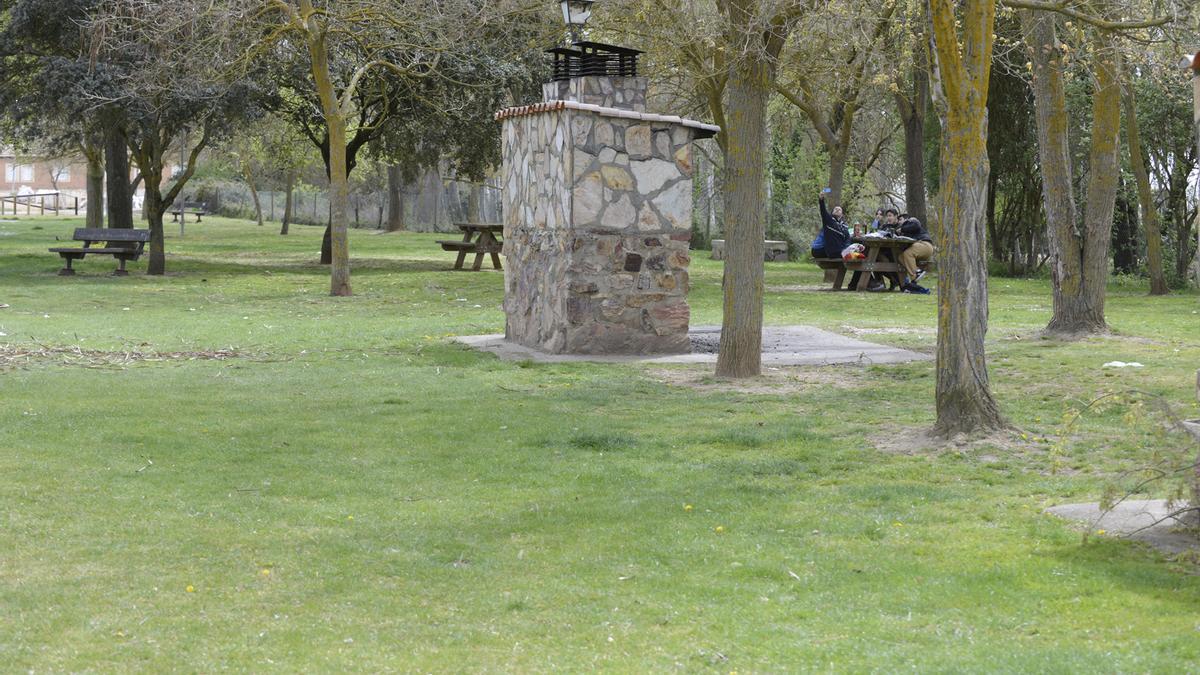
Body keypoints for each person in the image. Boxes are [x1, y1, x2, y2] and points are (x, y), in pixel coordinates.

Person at [897, 217, 934, 293]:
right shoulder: (907, 229)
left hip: (925, 245)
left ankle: (916, 273)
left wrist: (902, 229)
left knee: (908, 253)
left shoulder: (912, 222)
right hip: (920, 246)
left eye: (901, 219)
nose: (899, 221)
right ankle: (914, 280)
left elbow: (916, 225)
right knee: (901, 257)